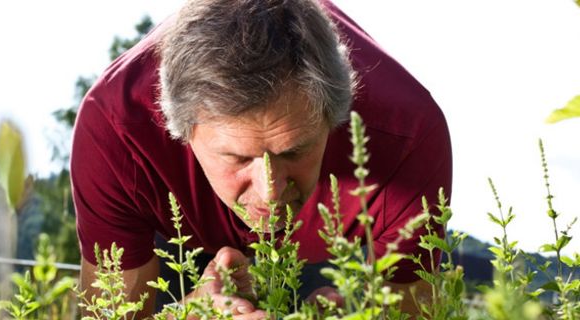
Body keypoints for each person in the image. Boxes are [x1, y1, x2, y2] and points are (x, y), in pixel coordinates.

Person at [71, 0, 452, 318]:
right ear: (181, 130)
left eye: (294, 151)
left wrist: (362, 311)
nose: (271, 193)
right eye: (237, 157)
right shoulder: (116, 129)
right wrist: (186, 313)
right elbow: (109, 311)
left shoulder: (408, 134)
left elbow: (411, 306)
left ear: (333, 119)